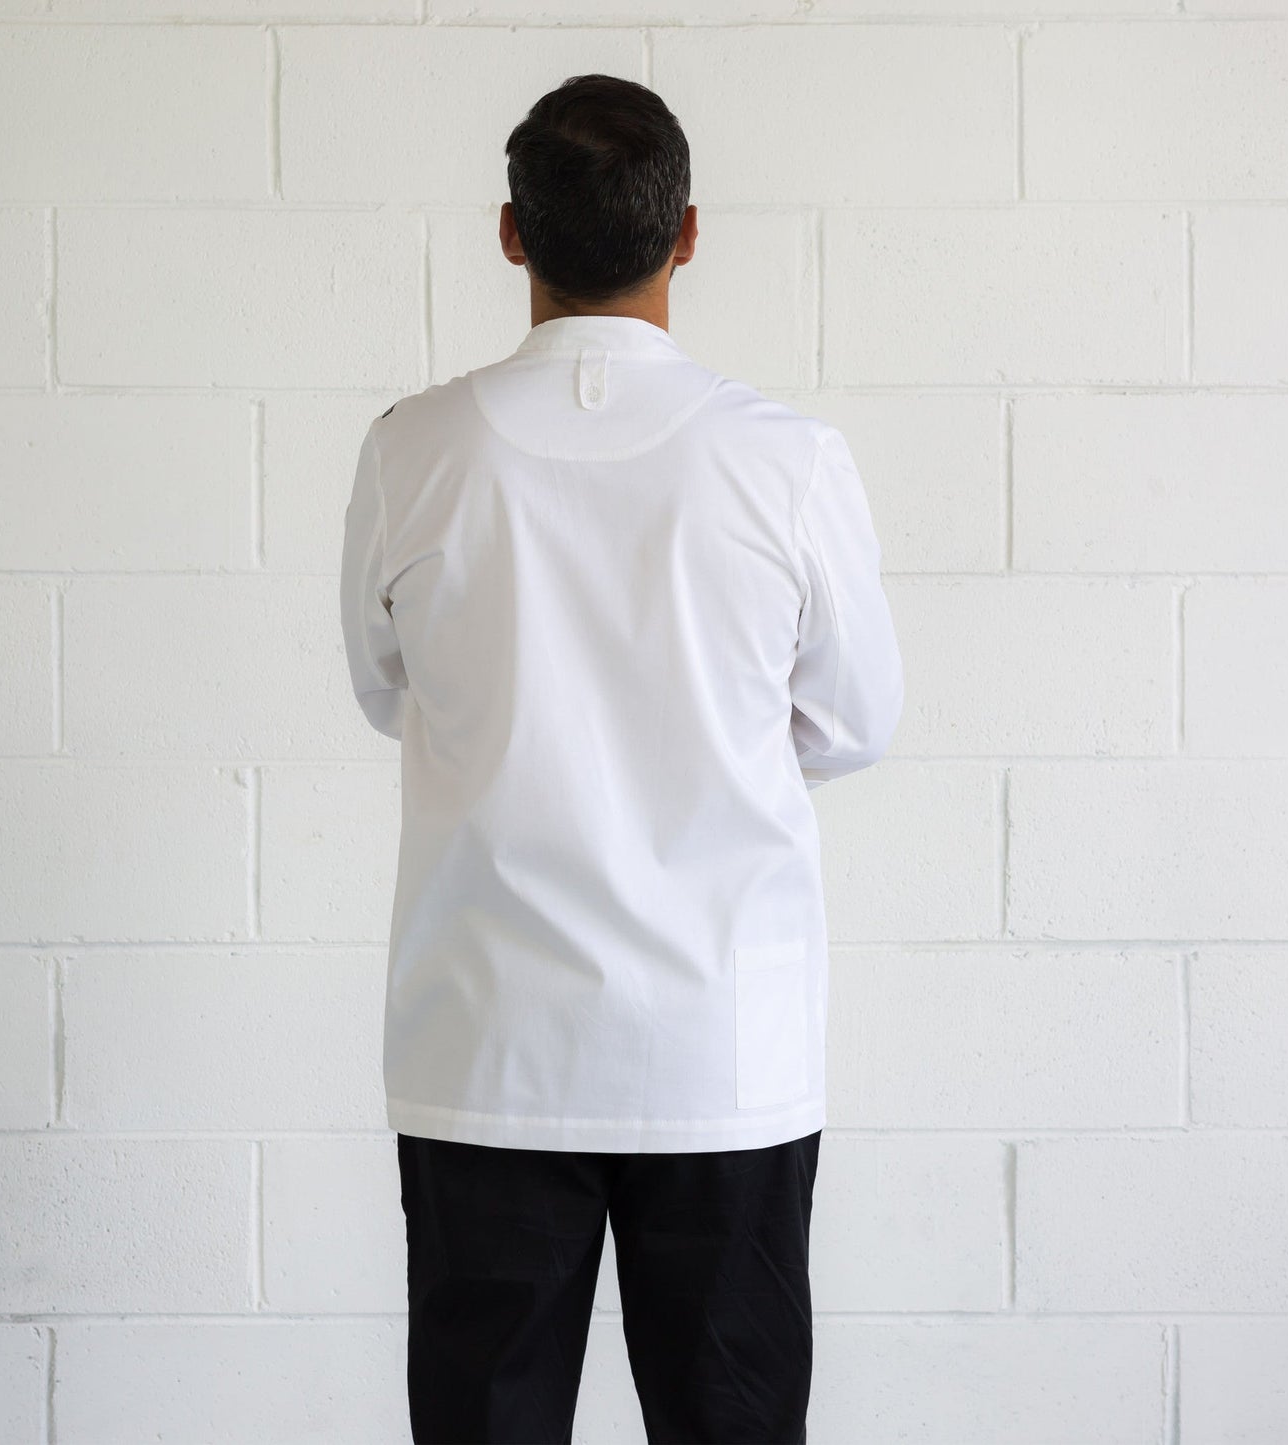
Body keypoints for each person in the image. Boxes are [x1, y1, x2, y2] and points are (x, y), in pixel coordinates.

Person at [339, 72, 904, 1445]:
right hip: (718, 1050)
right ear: (688, 234)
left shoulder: (414, 451)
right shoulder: (785, 461)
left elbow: (383, 687)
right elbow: (855, 722)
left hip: (487, 1041)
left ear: (510, 233)